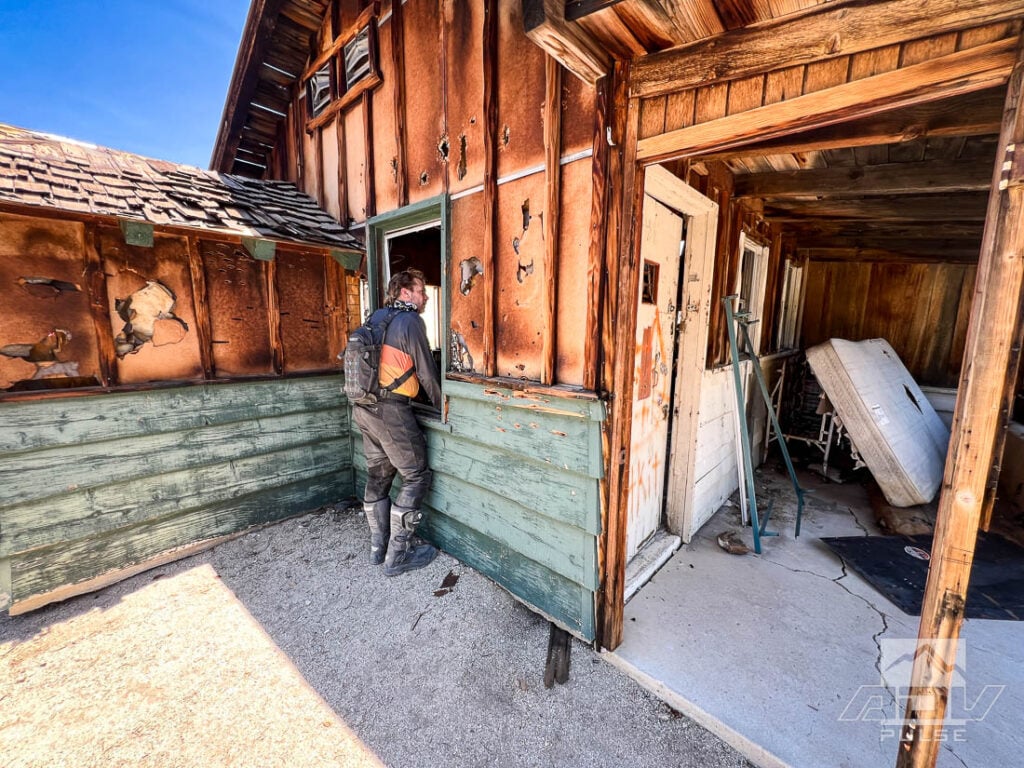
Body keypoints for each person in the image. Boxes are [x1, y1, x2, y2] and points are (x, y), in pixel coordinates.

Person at [352, 268, 442, 576]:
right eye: (420, 290)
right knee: (416, 476)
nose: (425, 296)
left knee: (379, 474)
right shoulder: (410, 321)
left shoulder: (377, 318)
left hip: (363, 408)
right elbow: (427, 372)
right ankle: (398, 557)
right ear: (405, 293)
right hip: (390, 411)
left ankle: (379, 549)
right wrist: (442, 405)